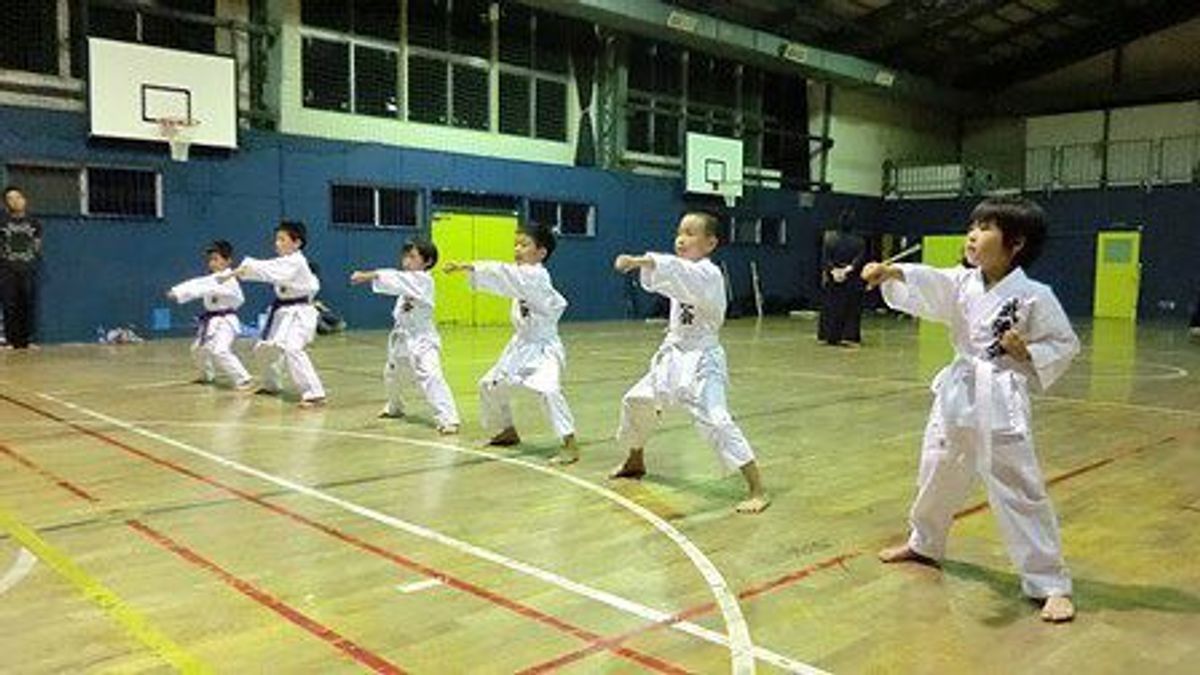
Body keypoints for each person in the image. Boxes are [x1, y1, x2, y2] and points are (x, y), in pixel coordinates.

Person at [862, 196, 1079, 623]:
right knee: (937, 467)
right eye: (972, 227)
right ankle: (924, 542)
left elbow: (1064, 344)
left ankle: (1049, 582)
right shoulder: (963, 283)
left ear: (1016, 243)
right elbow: (932, 282)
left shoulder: (1035, 296)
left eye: (985, 228)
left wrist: (1027, 351)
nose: (973, 235)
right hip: (958, 392)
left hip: (1000, 398)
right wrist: (893, 272)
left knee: (1019, 487)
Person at [609, 211, 770, 514]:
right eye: (680, 232)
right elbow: (672, 280)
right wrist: (648, 265)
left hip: (702, 360)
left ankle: (757, 489)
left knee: (717, 420)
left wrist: (640, 261)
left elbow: (677, 273)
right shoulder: (684, 272)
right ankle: (635, 459)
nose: (681, 239)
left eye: (691, 233)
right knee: (635, 401)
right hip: (673, 357)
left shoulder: (709, 274)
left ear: (711, 243)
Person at [443, 222, 578, 464]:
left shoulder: (536, 275)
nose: (517, 249)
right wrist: (472, 269)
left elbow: (503, 274)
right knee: (489, 385)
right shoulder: (522, 275)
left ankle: (570, 444)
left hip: (543, 347)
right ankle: (507, 430)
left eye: (524, 244)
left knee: (548, 391)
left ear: (541, 253)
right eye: (516, 244)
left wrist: (469, 266)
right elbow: (506, 277)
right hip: (520, 345)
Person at [350, 239, 461, 434]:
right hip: (402, 337)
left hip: (422, 338)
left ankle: (449, 418)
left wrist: (369, 275)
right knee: (392, 374)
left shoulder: (424, 280)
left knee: (431, 375)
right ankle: (395, 407)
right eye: (405, 257)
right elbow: (399, 284)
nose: (406, 261)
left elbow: (395, 278)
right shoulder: (409, 281)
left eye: (412, 257)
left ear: (427, 262)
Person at [227, 220, 326, 408]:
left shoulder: (296, 261)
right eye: (276, 239)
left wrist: (247, 268)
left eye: (282, 239)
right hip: (282, 312)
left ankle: (314, 394)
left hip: (300, 313)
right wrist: (245, 271)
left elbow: (270, 270)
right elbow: (270, 269)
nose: (277, 243)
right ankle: (271, 384)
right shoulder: (285, 262)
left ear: (297, 243)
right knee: (263, 349)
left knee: (293, 349)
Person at [167, 240, 252, 389]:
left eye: (216, 259)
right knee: (197, 349)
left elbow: (202, 287)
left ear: (228, 261)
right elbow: (199, 283)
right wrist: (177, 291)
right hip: (212, 320)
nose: (212, 263)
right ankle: (206, 375)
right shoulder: (214, 278)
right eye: (210, 259)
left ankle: (243, 379)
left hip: (226, 321)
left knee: (220, 350)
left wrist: (178, 293)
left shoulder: (227, 279)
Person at [0, 185, 43, 349]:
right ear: (6, 203)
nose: (15, 201)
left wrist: (30, 260)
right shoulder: (2, 221)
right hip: (6, 269)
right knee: (9, 304)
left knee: (28, 303)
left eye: (17, 197)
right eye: (10, 199)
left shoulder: (34, 222)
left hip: (27, 269)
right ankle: (10, 341)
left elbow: (37, 245)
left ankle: (27, 340)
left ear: (24, 200)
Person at [818, 228, 865, 347]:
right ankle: (849, 336)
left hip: (834, 278)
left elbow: (825, 258)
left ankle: (829, 336)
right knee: (850, 308)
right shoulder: (859, 241)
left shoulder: (829, 239)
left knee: (832, 307)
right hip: (851, 279)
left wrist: (833, 271)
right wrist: (848, 270)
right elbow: (859, 259)